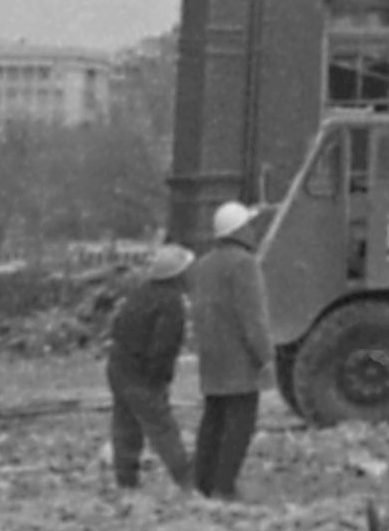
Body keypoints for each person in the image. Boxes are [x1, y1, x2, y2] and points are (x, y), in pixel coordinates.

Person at [182, 201, 268, 497]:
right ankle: (225, 487)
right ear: (240, 230)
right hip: (239, 358)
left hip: (211, 356)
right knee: (239, 425)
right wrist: (266, 357)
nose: (254, 231)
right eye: (250, 225)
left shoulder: (202, 265)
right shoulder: (244, 263)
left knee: (213, 421)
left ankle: (202, 483)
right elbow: (252, 317)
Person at [101, 238, 193, 490]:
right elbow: (164, 347)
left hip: (119, 369)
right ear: (177, 275)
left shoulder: (140, 293)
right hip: (142, 376)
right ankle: (188, 482)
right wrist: (158, 380)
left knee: (125, 427)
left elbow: (118, 329)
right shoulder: (171, 303)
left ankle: (126, 481)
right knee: (163, 429)